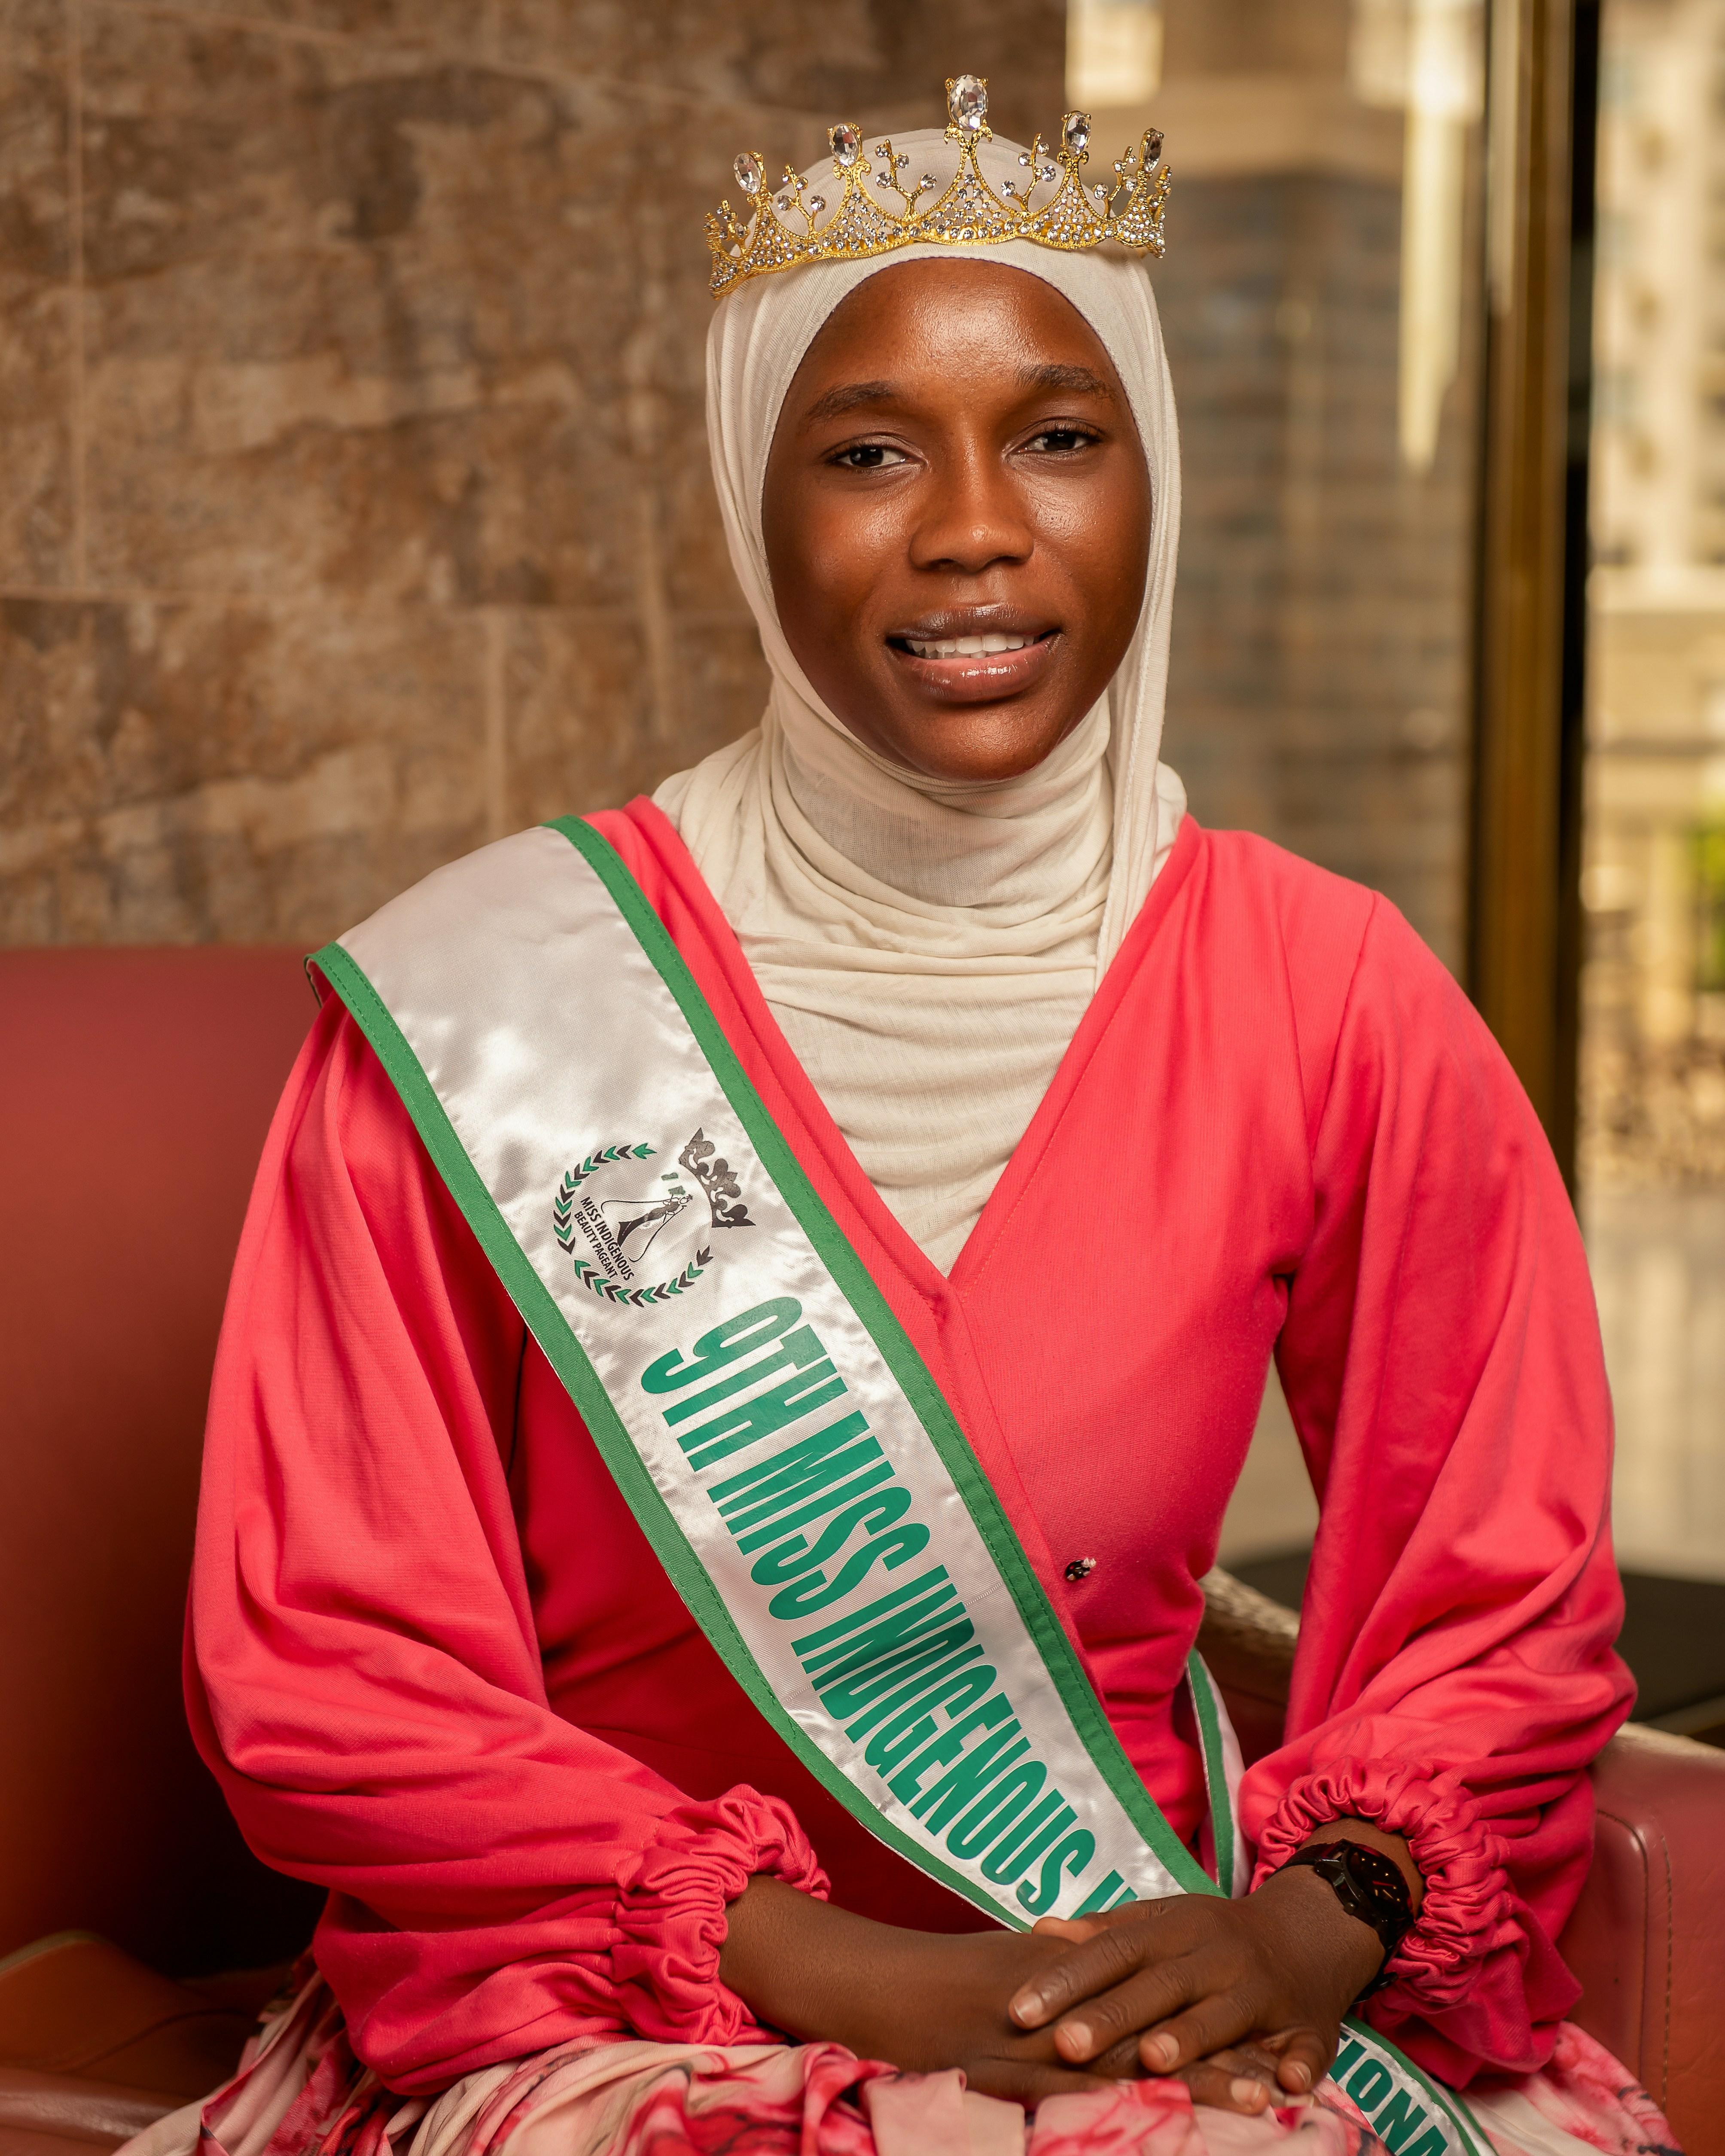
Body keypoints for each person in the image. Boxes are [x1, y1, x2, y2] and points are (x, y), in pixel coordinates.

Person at [134, 82, 1679, 2156]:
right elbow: (333, 1664)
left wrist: (1304, 1930)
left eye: (1057, 436)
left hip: (1157, 1967)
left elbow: (1500, 1590)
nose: (971, 527)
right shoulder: (482, 1002)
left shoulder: (1327, 994)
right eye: (867, 452)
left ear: (1153, 470)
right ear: (745, 502)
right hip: (625, 2010)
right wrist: (887, 1987)